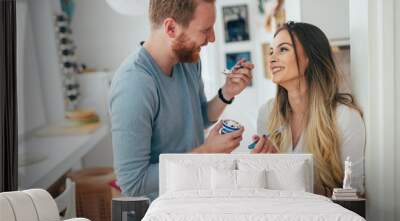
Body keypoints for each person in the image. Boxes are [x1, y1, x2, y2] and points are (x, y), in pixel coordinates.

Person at [109, 0, 254, 200]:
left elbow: (199, 116)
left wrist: (227, 92)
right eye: (205, 30)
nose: (212, 38)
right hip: (163, 213)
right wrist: (207, 152)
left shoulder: (188, 62)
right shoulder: (134, 84)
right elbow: (133, 182)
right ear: (171, 28)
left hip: (196, 194)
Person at [252, 21, 365, 197]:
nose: (272, 59)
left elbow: (355, 195)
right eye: (271, 51)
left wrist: (288, 174)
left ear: (309, 58)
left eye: (283, 49)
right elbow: (263, 191)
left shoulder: (344, 118)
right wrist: (260, 169)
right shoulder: (267, 113)